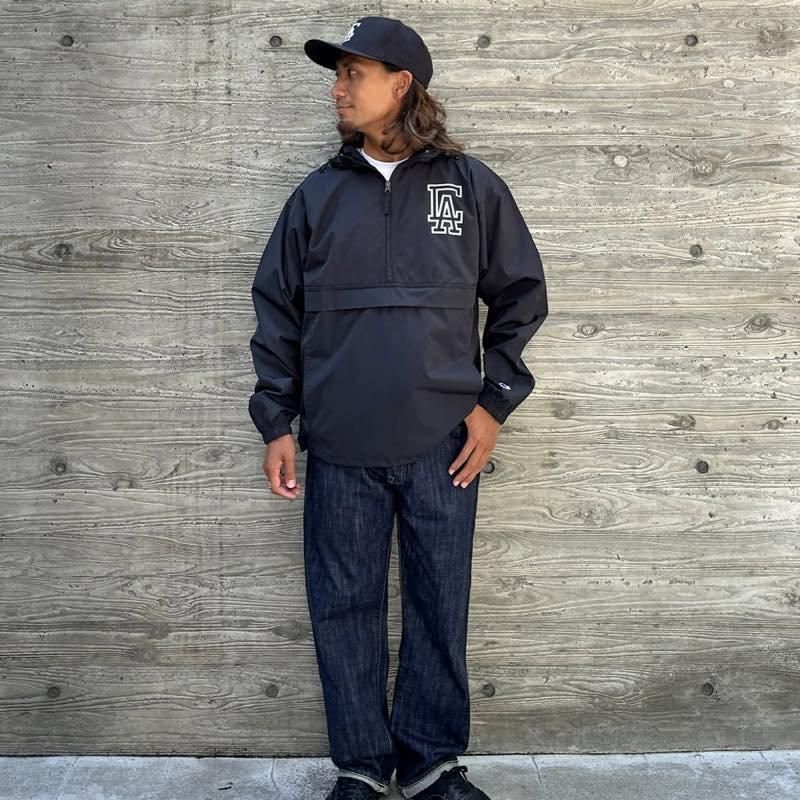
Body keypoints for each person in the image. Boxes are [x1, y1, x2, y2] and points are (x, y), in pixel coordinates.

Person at [248, 15, 548, 800]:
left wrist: (493, 403)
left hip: (443, 444)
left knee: (438, 605)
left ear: (401, 83)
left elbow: (520, 294)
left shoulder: (469, 187)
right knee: (342, 607)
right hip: (339, 443)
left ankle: (432, 765)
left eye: (353, 73)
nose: (338, 88)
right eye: (337, 75)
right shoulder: (317, 197)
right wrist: (276, 421)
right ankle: (359, 765)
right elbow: (277, 312)